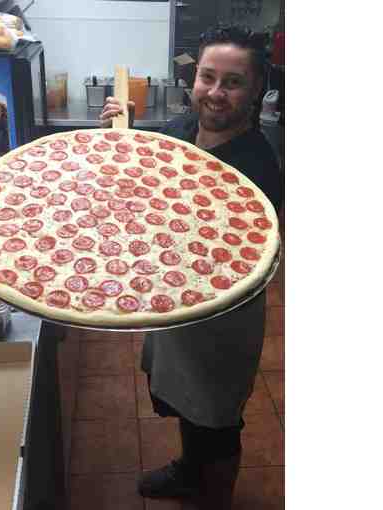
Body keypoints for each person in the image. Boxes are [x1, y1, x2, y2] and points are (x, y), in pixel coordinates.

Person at [99, 24, 283, 509]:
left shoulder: (256, 169)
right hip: (172, 299)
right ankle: (189, 471)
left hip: (221, 316)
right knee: (184, 403)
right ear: (194, 78)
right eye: (208, 77)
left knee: (216, 420)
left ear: (256, 91)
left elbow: (240, 255)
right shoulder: (181, 130)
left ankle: (215, 496)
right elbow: (147, 180)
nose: (216, 92)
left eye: (233, 82)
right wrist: (125, 137)